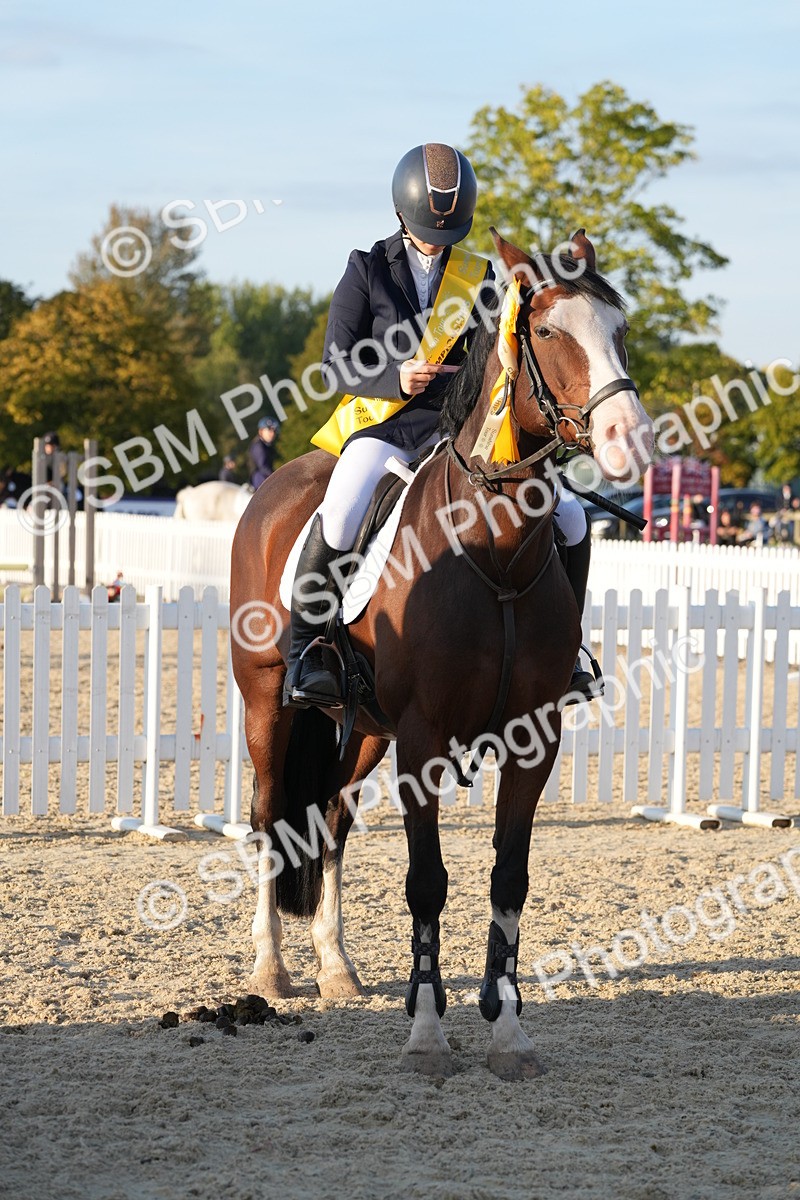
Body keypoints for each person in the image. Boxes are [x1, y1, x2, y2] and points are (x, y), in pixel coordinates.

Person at [285, 142, 601, 710]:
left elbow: (509, 353)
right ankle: (306, 650)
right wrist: (395, 375)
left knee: (572, 515)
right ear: (404, 214)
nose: (438, 240)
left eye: (449, 231)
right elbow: (335, 362)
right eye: (431, 229)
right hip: (389, 422)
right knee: (343, 505)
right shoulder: (367, 267)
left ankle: (567, 649)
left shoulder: (480, 277)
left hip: (464, 427)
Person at [249, 418, 279, 488]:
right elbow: (264, 467)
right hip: (260, 478)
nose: (272, 433)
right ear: (261, 431)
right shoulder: (258, 446)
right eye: (269, 430)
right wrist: (278, 476)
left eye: (274, 430)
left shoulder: (266, 445)